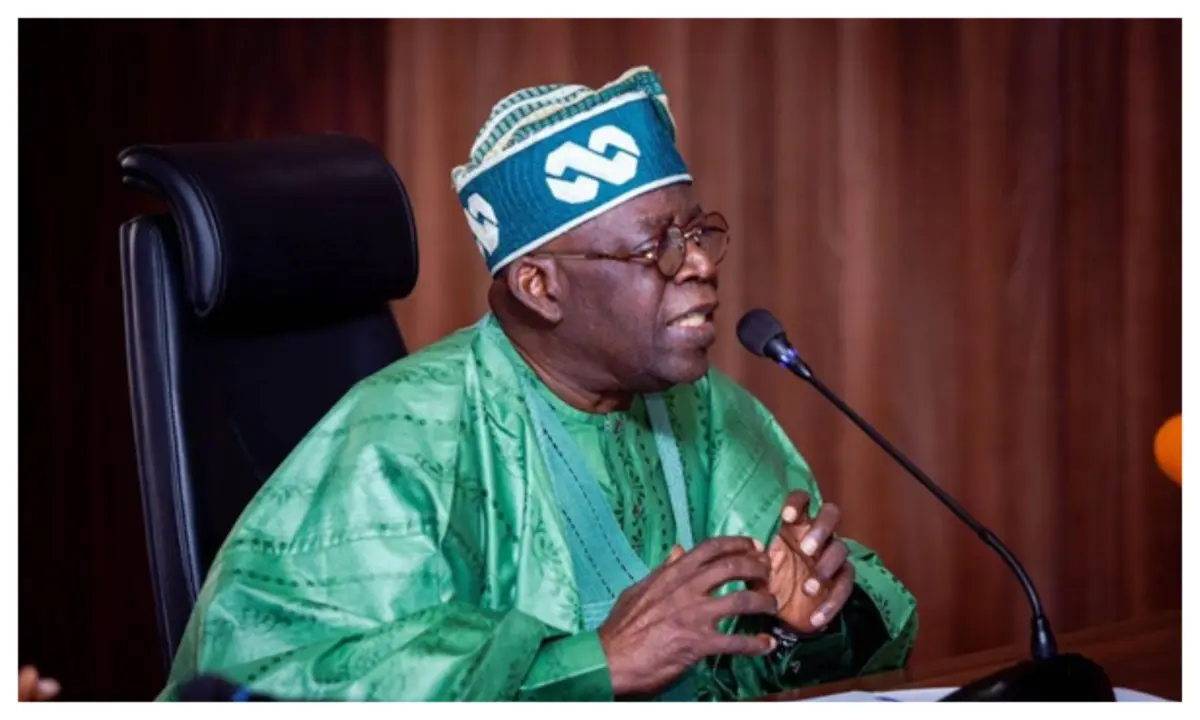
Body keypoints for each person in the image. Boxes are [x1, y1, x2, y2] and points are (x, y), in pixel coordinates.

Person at [158, 66, 918, 702]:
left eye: (697, 233)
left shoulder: (705, 408)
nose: (700, 265)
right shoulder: (401, 439)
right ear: (539, 286)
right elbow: (274, 682)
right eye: (657, 246)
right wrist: (599, 661)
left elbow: (793, 653)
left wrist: (804, 624)